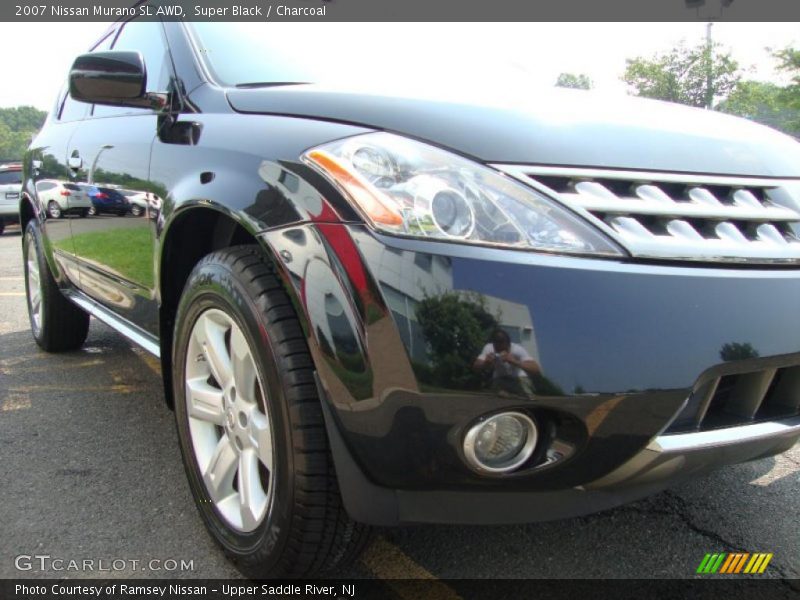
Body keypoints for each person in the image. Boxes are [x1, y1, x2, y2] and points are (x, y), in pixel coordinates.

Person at [474, 329, 540, 396]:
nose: (500, 351)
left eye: (503, 348)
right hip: (500, 378)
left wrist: (514, 361)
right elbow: (476, 366)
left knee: (525, 390)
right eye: (497, 349)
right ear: (493, 345)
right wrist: (485, 363)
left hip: (519, 378)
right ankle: (506, 393)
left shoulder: (518, 349)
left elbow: (536, 369)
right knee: (497, 389)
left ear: (508, 344)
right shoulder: (489, 348)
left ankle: (518, 393)